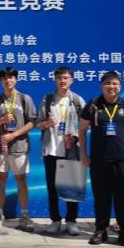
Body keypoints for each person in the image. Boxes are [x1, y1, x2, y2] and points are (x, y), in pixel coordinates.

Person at [79, 71, 124, 247]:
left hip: (123, 160)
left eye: (115, 83)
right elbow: (82, 130)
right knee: (101, 198)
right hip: (99, 160)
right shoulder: (93, 105)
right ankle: (101, 231)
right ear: (102, 86)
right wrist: (83, 154)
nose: (111, 86)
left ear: (120, 86)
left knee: (122, 198)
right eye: (107, 83)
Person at [37, 66, 86, 236]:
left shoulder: (77, 100)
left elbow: (86, 125)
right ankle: (55, 220)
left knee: (71, 187)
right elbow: (39, 124)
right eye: (59, 78)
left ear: (72, 80)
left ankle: (71, 221)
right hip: (51, 149)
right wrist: (47, 123)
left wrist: (76, 138)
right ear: (55, 80)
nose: (62, 81)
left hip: (70, 149)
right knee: (52, 188)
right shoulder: (47, 99)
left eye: (66, 78)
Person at [0, 67, 37, 232]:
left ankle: (24, 215)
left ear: (16, 79)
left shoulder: (24, 98)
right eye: (4, 78)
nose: (7, 80)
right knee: (0, 179)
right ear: (0, 81)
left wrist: (14, 134)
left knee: (21, 179)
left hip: (19, 146)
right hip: (0, 146)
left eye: (11, 77)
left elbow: (32, 122)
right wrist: (1, 120)